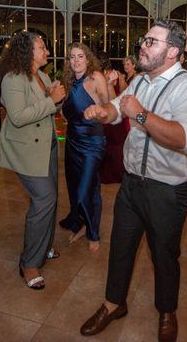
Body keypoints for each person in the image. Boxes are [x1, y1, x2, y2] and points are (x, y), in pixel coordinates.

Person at [80, 19, 187, 342]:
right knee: (120, 248)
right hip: (132, 184)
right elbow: (116, 109)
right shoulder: (139, 83)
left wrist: (139, 114)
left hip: (168, 190)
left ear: (173, 51)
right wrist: (102, 113)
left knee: (164, 255)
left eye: (152, 41)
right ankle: (113, 304)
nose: (143, 45)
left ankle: (167, 311)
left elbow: (183, 137)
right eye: (144, 39)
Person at [0, 32, 65, 290]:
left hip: (48, 145)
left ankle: (44, 247)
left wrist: (57, 99)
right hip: (26, 150)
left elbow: (50, 110)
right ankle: (29, 263)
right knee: (43, 200)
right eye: (42, 47)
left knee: (51, 198)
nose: (47, 51)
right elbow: (18, 117)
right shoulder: (13, 78)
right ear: (27, 51)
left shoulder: (43, 76)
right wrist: (51, 101)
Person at [59, 44, 109, 252]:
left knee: (87, 188)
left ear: (88, 59)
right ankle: (81, 223)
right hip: (72, 142)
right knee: (73, 187)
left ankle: (93, 232)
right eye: (72, 57)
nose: (76, 60)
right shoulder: (69, 82)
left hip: (93, 142)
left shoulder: (95, 77)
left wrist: (100, 111)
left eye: (80, 56)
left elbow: (108, 108)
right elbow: (65, 112)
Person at [97, 52, 128, 185]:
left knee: (114, 144)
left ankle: (115, 173)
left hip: (115, 111)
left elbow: (124, 91)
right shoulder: (97, 76)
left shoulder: (116, 75)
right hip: (104, 113)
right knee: (107, 143)